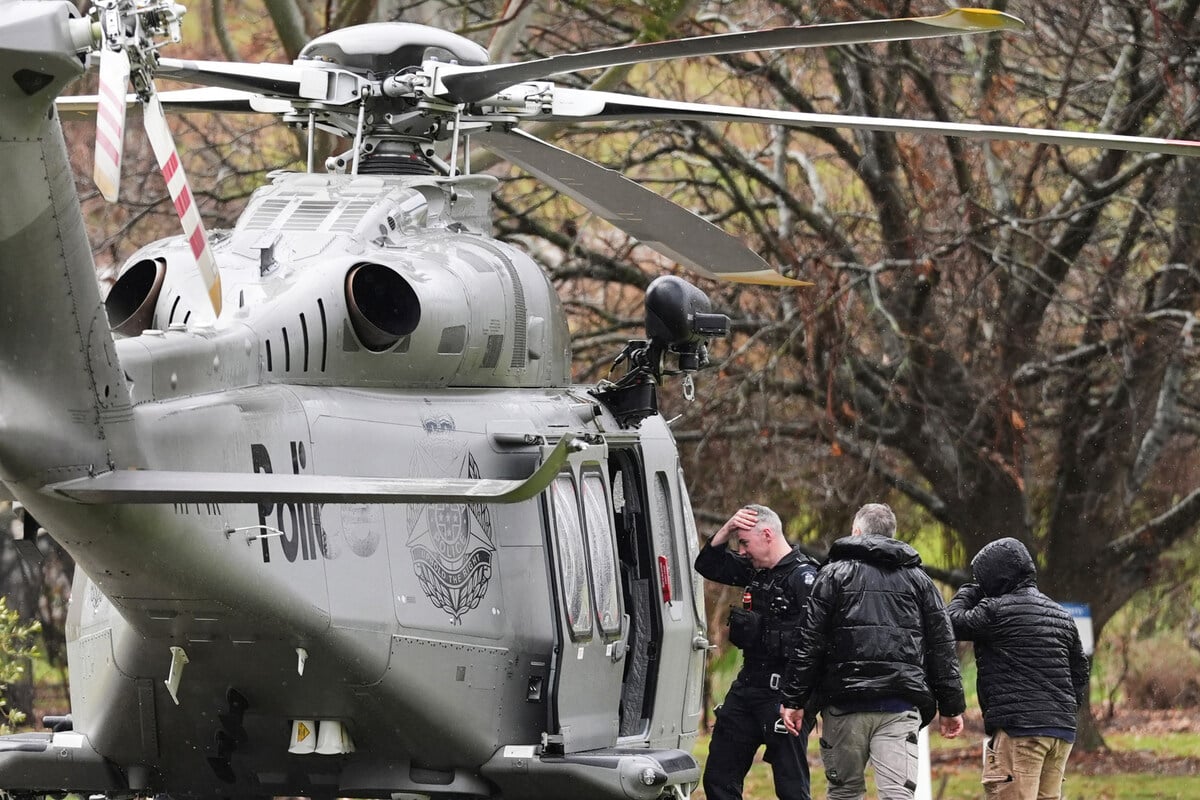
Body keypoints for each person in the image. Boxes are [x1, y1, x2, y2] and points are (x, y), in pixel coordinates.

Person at [779, 502, 965, 800]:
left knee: (844, 793)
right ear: (892, 535)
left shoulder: (832, 576)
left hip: (845, 703)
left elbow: (809, 642)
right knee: (896, 796)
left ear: (856, 532)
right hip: (900, 704)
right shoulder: (920, 581)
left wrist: (794, 699)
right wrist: (952, 706)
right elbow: (941, 647)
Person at [946, 537, 1090, 800]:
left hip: (1020, 730)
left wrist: (972, 590)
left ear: (995, 578)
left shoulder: (995, 610)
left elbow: (951, 621)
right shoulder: (1061, 615)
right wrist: (1062, 709)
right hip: (1060, 733)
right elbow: (1080, 672)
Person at [694, 504, 820, 800]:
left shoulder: (806, 578)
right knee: (719, 777)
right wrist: (726, 529)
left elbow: (816, 645)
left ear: (767, 535)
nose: (742, 552)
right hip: (748, 689)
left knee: (791, 787)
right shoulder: (756, 571)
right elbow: (707, 565)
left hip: (784, 695)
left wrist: (798, 699)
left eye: (745, 543)